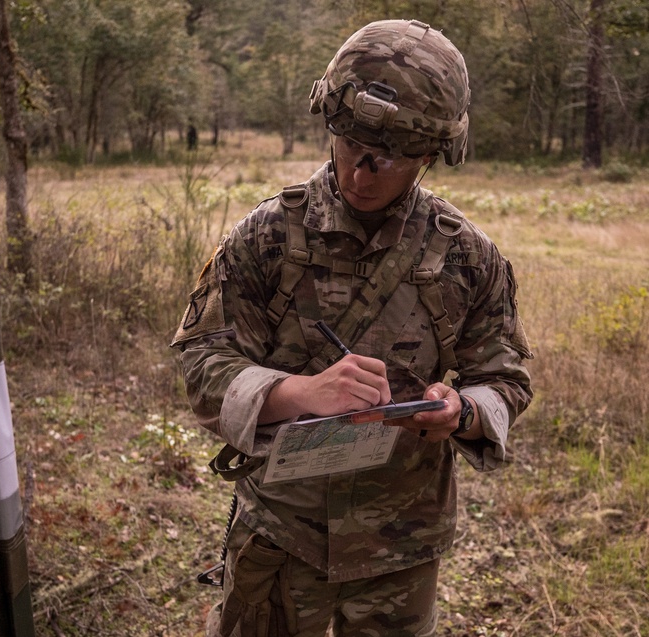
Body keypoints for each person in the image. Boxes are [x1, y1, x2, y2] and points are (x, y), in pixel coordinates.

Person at [171, 19, 533, 637]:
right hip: (283, 538)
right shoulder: (266, 236)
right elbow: (202, 359)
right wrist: (296, 394)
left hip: (401, 550)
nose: (363, 171)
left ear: (430, 154)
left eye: (390, 156)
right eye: (349, 143)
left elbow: (504, 377)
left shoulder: (466, 256)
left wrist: (461, 410)